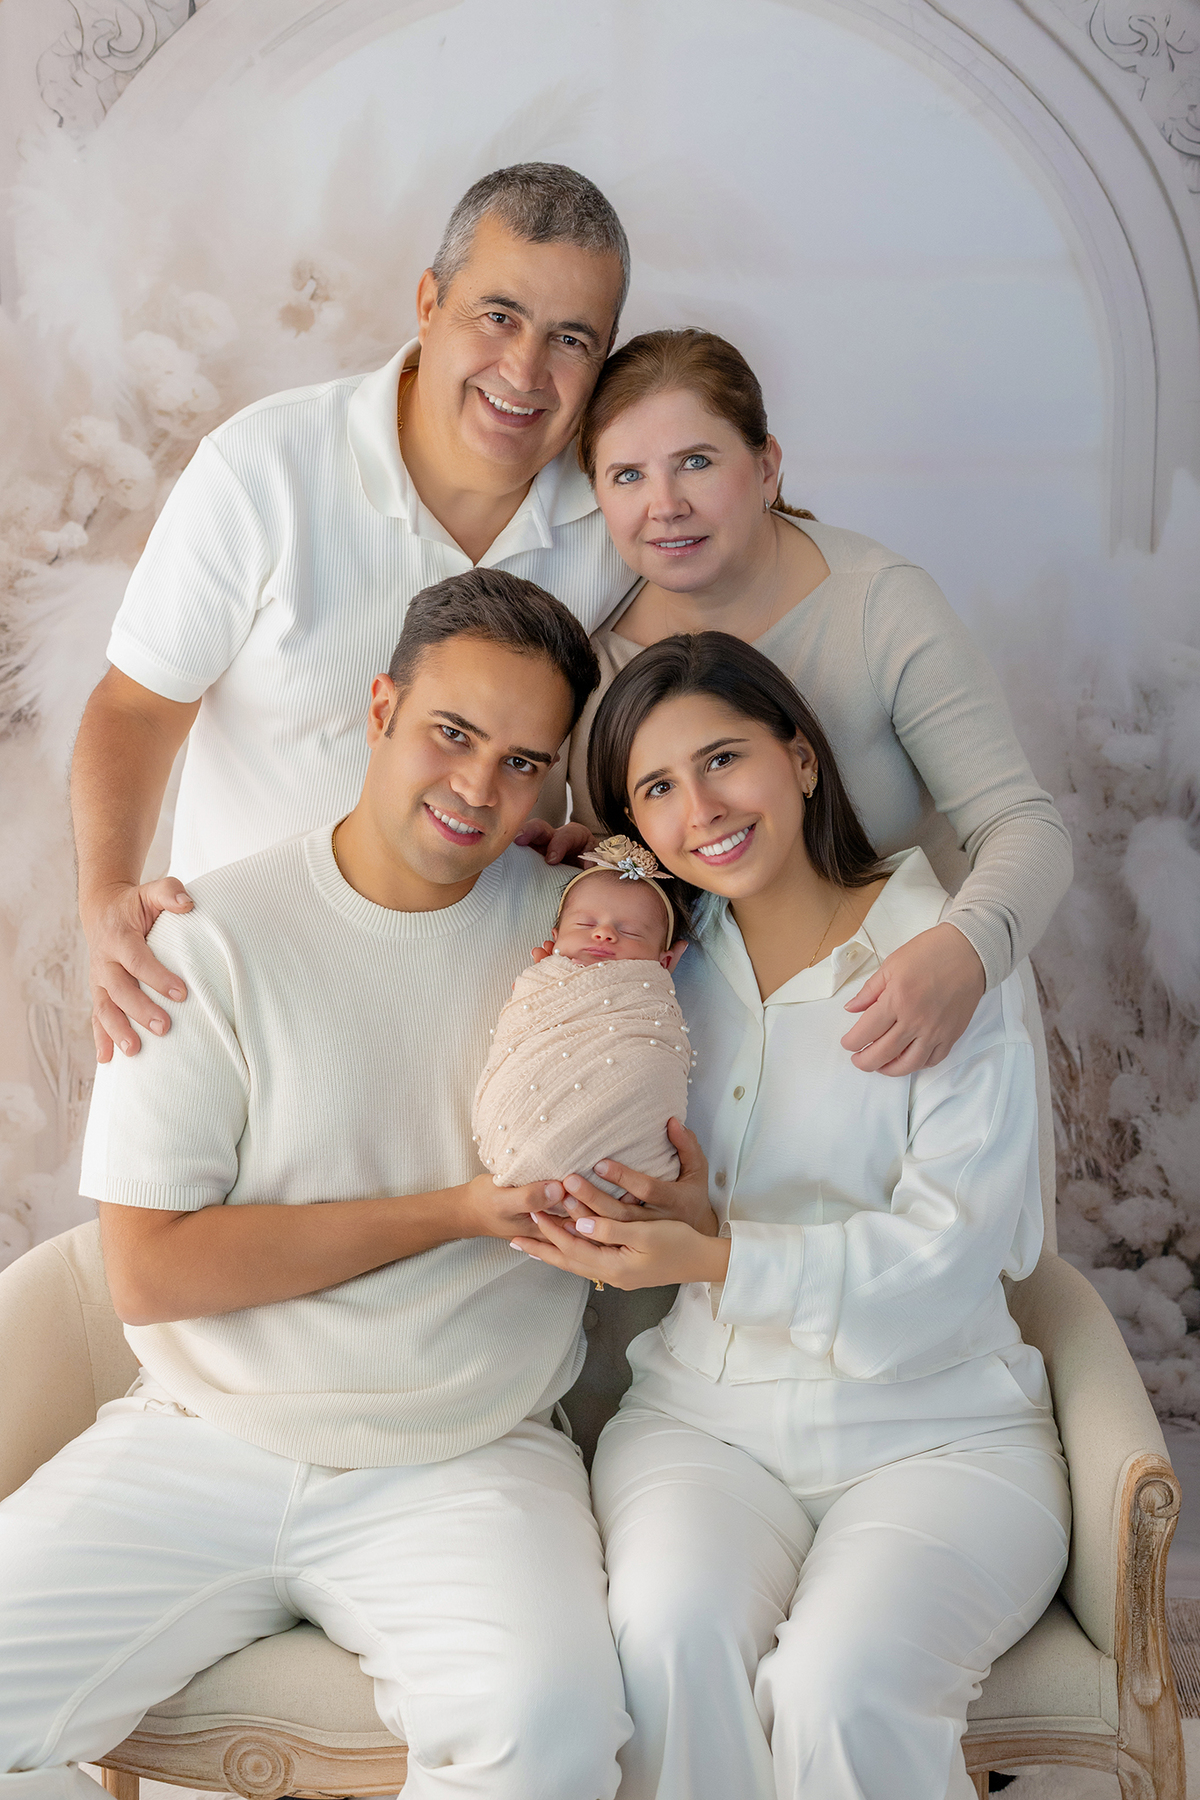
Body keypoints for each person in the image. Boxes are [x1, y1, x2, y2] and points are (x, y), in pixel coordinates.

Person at [0, 571, 632, 1800]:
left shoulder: (585, 934)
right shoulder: (206, 936)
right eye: (453, 734)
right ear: (381, 708)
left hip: (469, 1452)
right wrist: (456, 1213)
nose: (478, 790)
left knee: (547, 1734)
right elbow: (150, 1268)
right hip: (202, 1437)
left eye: (522, 763)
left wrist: (622, 862)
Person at [513, 632, 1071, 1800]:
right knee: (667, 1642)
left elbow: (948, 1261)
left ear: (804, 760)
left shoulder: (945, 962)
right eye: (657, 788)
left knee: (840, 1687)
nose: (701, 807)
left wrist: (717, 1251)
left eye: (725, 759)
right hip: (703, 1426)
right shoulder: (657, 969)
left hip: (940, 1435)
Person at [71, 162, 630, 1075]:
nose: (525, 371)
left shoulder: (620, 516)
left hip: (485, 1036)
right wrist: (104, 900)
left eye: (571, 339)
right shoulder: (265, 466)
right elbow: (136, 707)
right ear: (428, 302)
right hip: (243, 1013)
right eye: (498, 316)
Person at [549, 328, 1072, 1103]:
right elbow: (641, 872)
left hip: (915, 1020)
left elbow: (1023, 824)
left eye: (696, 461)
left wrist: (964, 952)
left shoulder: (878, 605)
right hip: (725, 1059)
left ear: (765, 466)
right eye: (628, 475)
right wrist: (584, 862)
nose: (665, 506)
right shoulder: (594, 665)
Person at [472, 836, 691, 1193]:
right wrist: (543, 990)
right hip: (517, 1142)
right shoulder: (544, 980)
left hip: (634, 1149)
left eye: (630, 931)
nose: (604, 934)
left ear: (664, 962)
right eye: (585, 925)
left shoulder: (650, 1000)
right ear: (555, 938)